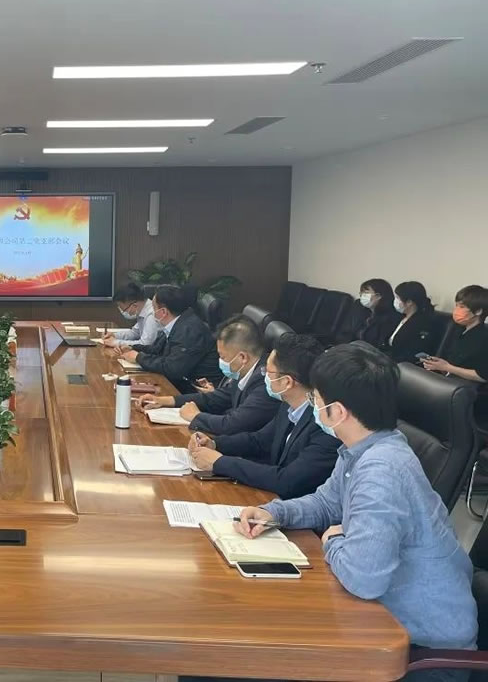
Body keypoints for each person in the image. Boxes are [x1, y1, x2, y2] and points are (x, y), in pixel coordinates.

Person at [235, 343, 477, 681]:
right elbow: (326, 503)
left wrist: (333, 541)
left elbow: (365, 579)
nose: (312, 404)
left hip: (420, 654)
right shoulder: (365, 447)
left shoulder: (382, 471)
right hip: (381, 620)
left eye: (315, 398)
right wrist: (275, 513)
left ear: (337, 411)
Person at [188, 333, 340, 498]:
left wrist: (220, 462)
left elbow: (287, 480)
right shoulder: (288, 404)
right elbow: (259, 441)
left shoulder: (325, 424)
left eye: (268, 371)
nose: (264, 376)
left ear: (287, 382)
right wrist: (215, 443)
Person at [136, 314, 279, 437]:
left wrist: (196, 416)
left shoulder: (265, 382)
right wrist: (165, 400)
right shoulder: (246, 371)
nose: (220, 361)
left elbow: (233, 424)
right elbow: (217, 398)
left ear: (242, 357)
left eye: (222, 357)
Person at [117, 285, 222, 393]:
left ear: (163, 312)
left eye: (153, 308)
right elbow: (156, 349)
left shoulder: (189, 330)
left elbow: (173, 369)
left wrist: (138, 357)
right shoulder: (178, 322)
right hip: (180, 383)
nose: (152, 312)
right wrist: (133, 348)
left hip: (197, 390)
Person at [422, 285, 488, 385]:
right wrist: (437, 365)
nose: (456, 310)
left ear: (478, 311)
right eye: (456, 305)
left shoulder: (484, 338)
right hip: (446, 379)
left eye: (462, 307)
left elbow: (482, 376)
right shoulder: (458, 330)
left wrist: (447, 367)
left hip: (465, 387)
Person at [388, 281, 439, 364]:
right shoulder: (399, 317)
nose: (395, 301)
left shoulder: (424, 323)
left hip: (403, 364)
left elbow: (415, 353)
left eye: (397, 298)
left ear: (409, 302)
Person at [103, 282, 159, 348]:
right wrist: (114, 335)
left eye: (124, 310)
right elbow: (134, 333)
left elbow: (145, 344)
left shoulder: (151, 315)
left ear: (134, 305)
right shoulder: (142, 311)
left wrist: (117, 343)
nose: (124, 312)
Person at [356, 278, 401, 353]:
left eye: (366, 293)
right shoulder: (363, 311)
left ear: (378, 296)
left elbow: (380, 344)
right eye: (361, 293)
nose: (362, 296)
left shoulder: (391, 317)